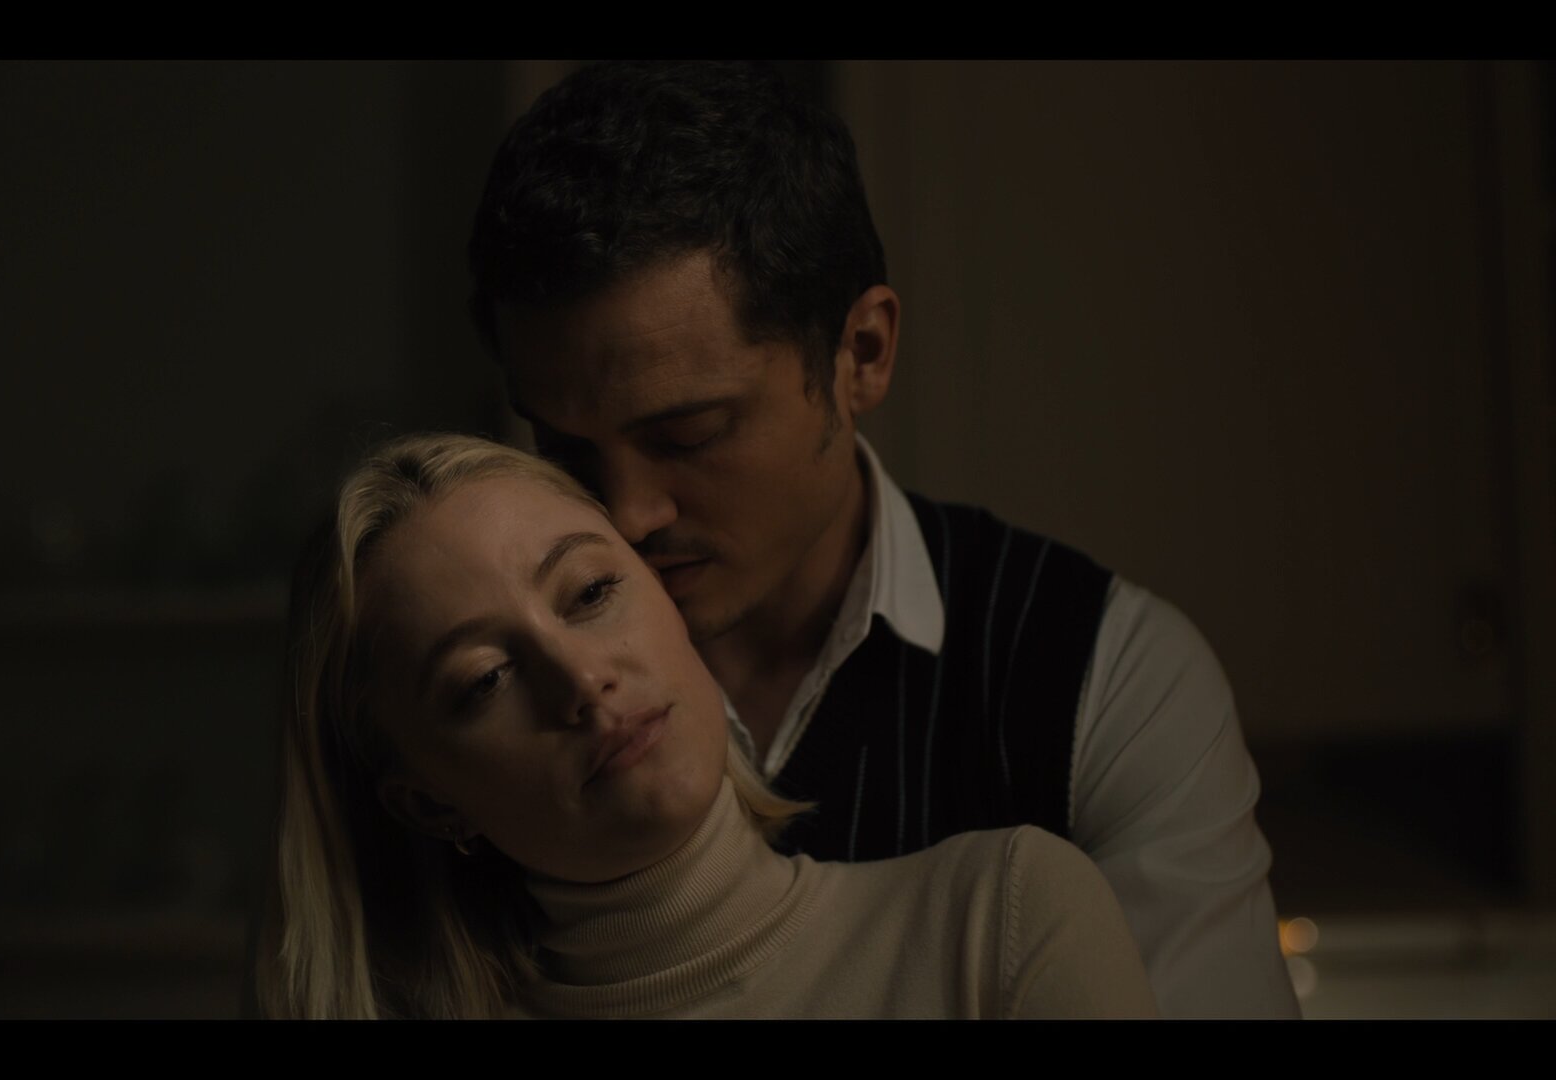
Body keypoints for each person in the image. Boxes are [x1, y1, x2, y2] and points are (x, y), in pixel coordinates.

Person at [465, 61, 1298, 1018]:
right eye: (564, 449)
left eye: (687, 436)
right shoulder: (486, 707)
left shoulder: (1102, 678)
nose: (625, 515)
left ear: (861, 352)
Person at [256, 432, 1156, 1019]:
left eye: (592, 591)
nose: (582, 679)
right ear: (429, 804)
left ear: (666, 596)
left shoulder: (999, 919)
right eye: (486, 679)